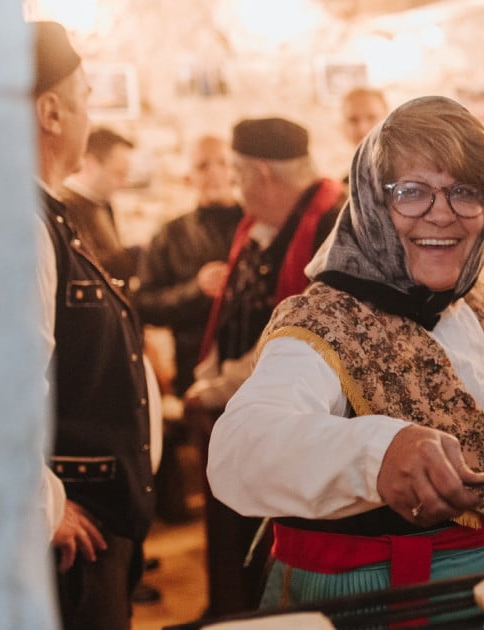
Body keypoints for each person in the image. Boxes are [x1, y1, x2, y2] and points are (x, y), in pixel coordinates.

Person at [206, 96, 484, 609]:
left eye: (465, 192)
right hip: (386, 598)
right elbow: (239, 447)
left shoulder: (478, 306)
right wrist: (378, 454)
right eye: (412, 193)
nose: (441, 215)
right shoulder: (325, 321)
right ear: (371, 203)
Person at [184, 118, 344, 615]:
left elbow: (301, 326)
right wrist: (210, 374)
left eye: (236, 174)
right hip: (236, 402)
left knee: (265, 544)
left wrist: (219, 386)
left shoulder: (328, 222)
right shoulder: (261, 226)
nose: (235, 188)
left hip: (290, 419)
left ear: (261, 173)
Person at [30, 21, 155, 629]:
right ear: (50, 112)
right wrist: (41, 503)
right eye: (83, 101)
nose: (88, 117)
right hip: (66, 541)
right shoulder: (18, 224)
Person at [134, 135, 244, 396]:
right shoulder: (170, 234)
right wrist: (197, 289)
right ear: (188, 178)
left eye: (222, 163)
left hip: (256, 367)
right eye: (203, 166)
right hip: (194, 369)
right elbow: (145, 304)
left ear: (235, 172)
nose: (214, 173)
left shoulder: (259, 225)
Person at [59, 127, 138, 284]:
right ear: (90, 164)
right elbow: (85, 267)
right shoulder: (65, 206)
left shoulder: (102, 204)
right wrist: (134, 256)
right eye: (118, 174)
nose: (123, 183)